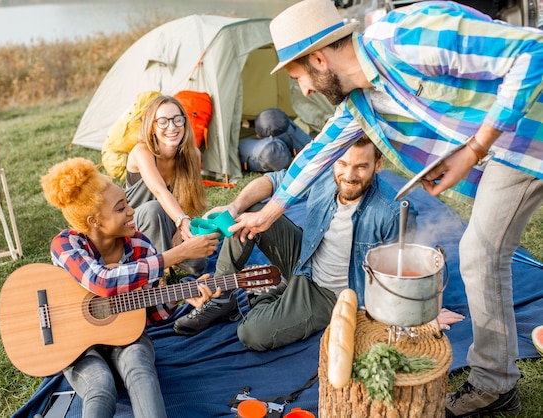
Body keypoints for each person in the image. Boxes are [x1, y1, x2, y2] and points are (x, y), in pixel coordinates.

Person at [232, 0, 543, 416]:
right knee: (480, 254)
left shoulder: (407, 34)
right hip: (512, 156)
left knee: (479, 254)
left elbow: (533, 53)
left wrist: (474, 148)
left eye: (299, 77)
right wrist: (269, 213)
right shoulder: (361, 104)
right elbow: (317, 154)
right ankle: (495, 384)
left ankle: (494, 382)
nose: (304, 91)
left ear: (320, 59)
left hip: (527, 129)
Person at [175, 136, 463, 343]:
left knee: (250, 334)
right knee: (248, 215)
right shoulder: (325, 175)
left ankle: (271, 294)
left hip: (330, 294)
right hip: (304, 257)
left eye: (361, 167)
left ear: (378, 165)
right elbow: (274, 182)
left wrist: (421, 315)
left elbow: (405, 270)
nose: (349, 175)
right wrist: (234, 207)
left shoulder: (391, 212)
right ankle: (223, 297)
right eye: (343, 163)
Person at [40, 157, 221, 418]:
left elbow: (154, 313)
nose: (132, 211)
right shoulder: (66, 245)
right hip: (74, 341)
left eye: (127, 202)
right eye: (121, 207)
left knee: (140, 369)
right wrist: (176, 255)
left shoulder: (140, 246)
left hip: (126, 336)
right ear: (94, 221)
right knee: (100, 386)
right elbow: (102, 282)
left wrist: (183, 294)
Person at [125, 95, 208, 276]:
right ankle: (156, 276)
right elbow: (159, 191)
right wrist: (182, 221)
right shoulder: (142, 151)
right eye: (162, 121)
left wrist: (181, 231)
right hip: (132, 230)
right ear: (152, 127)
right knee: (152, 209)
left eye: (177, 119)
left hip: (170, 223)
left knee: (200, 263)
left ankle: (169, 259)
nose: (172, 127)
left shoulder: (192, 154)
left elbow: (190, 200)